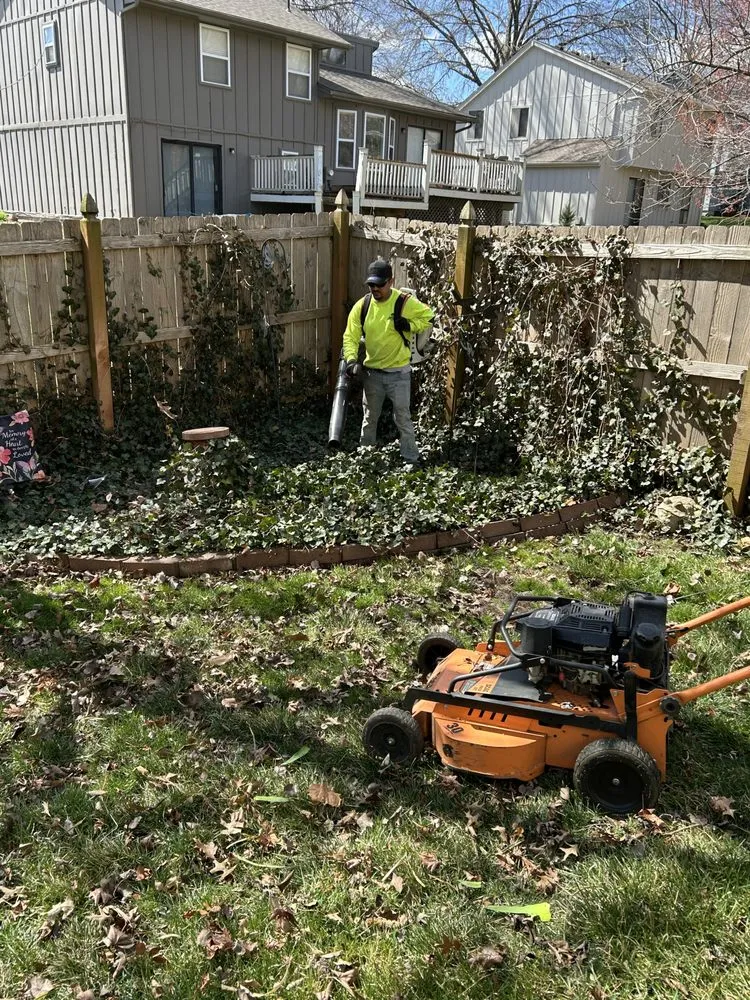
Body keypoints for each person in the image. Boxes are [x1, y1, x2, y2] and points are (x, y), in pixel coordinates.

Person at [342, 259, 434, 468]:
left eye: (379, 284)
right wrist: (351, 360)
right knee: (369, 418)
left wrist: (409, 324)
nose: (375, 289)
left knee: (403, 418)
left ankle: (411, 459)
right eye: (371, 285)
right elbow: (350, 336)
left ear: (391, 281)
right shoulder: (363, 305)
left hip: (399, 374)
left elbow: (429, 317)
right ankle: (366, 457)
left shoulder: (404, 302)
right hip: (372, 374)